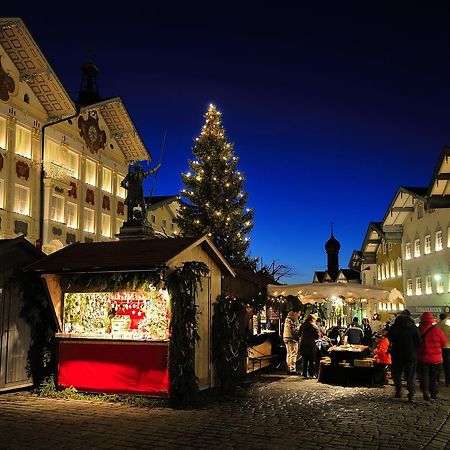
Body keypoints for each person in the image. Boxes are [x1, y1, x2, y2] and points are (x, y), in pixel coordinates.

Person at [387, 309, 421, 401]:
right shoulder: (413, 327)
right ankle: (411, 393)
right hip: (410, 354)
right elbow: (419, 341)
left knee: (397, 373)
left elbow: (389, 337)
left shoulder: (394, 326)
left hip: (397, 353)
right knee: (410, 374)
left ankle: (398, 390)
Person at [417, 312, 447, 400]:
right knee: (434, 377)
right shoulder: (436, 330)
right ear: (431, 320)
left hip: (422, 358)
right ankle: (433, 393)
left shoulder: (418, 330)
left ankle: (425, 391)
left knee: (424, 376)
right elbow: (444, 342)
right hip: (436, 359)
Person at [299, 314, 320, 378]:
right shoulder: (314, 326)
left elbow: (299, 334)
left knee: (304, 359)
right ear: (313, 319)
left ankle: (304, 373)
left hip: (303, 344)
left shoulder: (302, 325)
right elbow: (317, 337)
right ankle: (311, 374)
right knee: (311, 360)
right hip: (311, 345)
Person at [283, 308, 301, 375]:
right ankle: (292, 370)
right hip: (292, 338)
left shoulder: (287, 318)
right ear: (296, 312)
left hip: (286, 337)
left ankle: (288, 368)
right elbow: (296, 330)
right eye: (299, 313)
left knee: (289, 354)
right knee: (293, 354)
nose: (299, 315)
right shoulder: (294, 318)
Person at [435, 313, 450, 386]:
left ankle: (437, 380)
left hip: (437, 348)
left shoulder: (435, 327)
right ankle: (447, 381)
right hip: (447, 348)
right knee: (447, 365)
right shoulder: (448, 328)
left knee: (438, 364)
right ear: (445, 318)